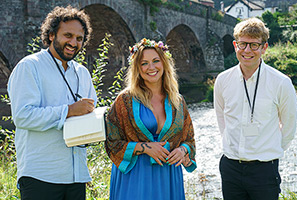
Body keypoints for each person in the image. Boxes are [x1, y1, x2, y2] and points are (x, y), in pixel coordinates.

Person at [7, 6, 97, 200]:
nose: (73, 42)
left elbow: (90, 118)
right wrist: (69, 111)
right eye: (68, 35)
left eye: (79, 38)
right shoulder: (29, 66)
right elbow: (23, 116)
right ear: (50, 35)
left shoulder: (82, 73)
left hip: (77, 176)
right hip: (41, 174)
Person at [214, 17, 297, 200]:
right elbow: (222, 118)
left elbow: (290, 125)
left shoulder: (281, 83)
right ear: (235, 45)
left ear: (264, 47)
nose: (247, 51)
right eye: (243, 44)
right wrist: (231, 144)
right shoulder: (222, 80)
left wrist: (270, 149)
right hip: (231, 167)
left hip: (264, 169)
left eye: (254, 45)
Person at [105, 38, 197, 200]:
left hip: (168, 174)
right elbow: (112, 142)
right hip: (135, 176)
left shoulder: (178, 101)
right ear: (137, 68)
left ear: (164, 63)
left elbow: (188, 139)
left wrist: (183, 151)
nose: (151, 67)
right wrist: (145, 148)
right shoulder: (124, 100)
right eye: (144, 63)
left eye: (156, 61)